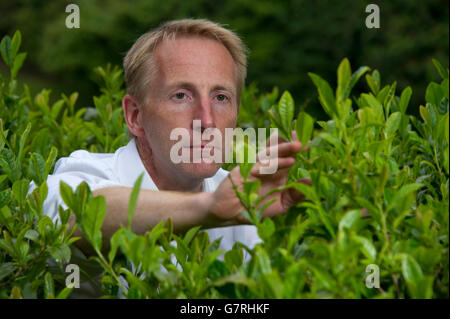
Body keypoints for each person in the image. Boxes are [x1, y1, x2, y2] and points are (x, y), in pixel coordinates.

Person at [30, 18, 309, 296]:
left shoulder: (241, 195)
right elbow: (81, 216)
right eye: (181, 95)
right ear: (135, 116)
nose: (207, 120)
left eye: (221, 97)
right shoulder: (86, 173)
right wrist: (208, 208)